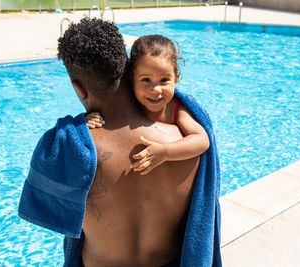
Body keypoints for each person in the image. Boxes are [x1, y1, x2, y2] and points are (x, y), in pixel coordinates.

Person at [18, 17, 222, 267]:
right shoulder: (184, 142)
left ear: (78, 88)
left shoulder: (69, 146)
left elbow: (47, 211)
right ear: (128, 72)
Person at [86, 34, 210, 175]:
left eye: (164, 80)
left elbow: (202, 140)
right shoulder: (128, 104)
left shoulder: (175, 109)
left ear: (176, 79)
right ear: (132, 80)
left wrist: (165, 152)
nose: (156, 89)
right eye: (146, 80)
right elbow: (107, 117)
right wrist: (90, 119)